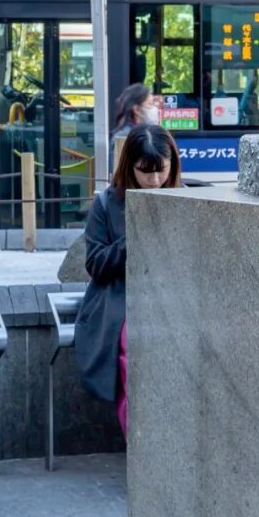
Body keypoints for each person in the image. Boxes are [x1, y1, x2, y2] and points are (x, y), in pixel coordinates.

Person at [73, 124, 180, 438]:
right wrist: (133, 239)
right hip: (120, 302)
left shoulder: (185, 200)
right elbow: (95, 263)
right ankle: (141, 442)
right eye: (144, 172)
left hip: (173, 300)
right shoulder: (106, 204)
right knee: (131, 352)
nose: (154, 180)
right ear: (129, 167)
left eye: (161, 170)